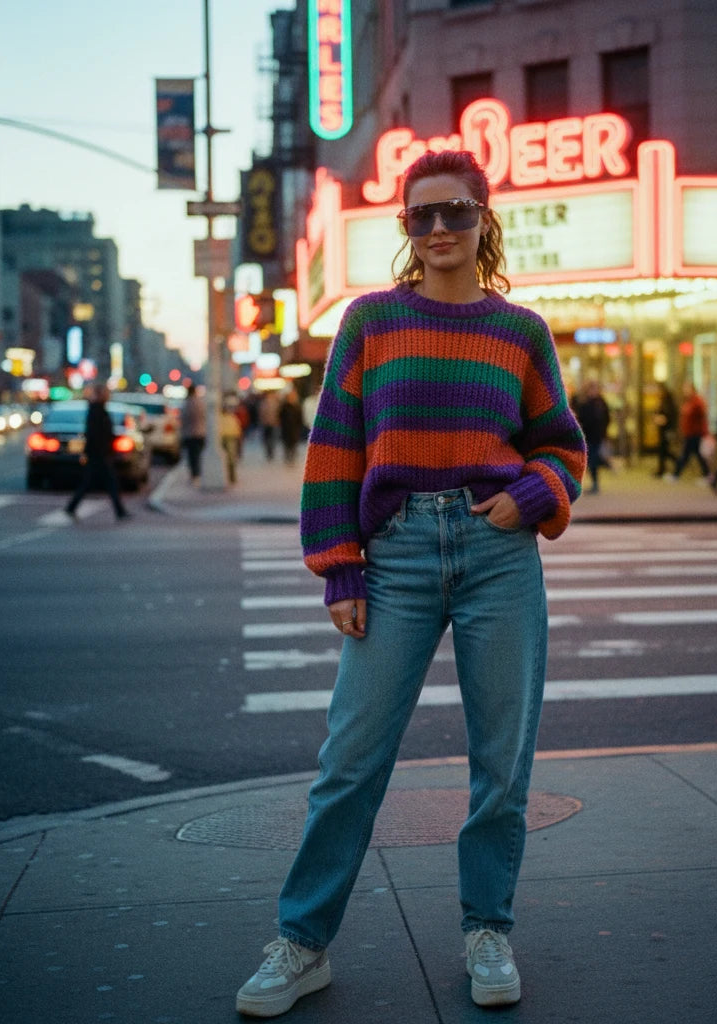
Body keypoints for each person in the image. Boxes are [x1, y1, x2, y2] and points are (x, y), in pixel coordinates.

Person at [235, 150, 585, 1018]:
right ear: (405, 228)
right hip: (394, 557)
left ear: (483, 220)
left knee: (501, 764)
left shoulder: (522, 331)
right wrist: (340, 566)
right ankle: (303, 942)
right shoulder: (370, 321)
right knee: (349, 762)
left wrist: (528, 498)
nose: (437, 229)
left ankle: (487, 930)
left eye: (455, 211)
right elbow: (336, 446)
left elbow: (562, 446)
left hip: (497, 553)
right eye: (420, 215)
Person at [65, 385, 130, 521]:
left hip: (100, 453)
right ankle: (119, 511)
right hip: (99, 454)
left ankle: (72, 507)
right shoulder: (96, 411)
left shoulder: (99, 410)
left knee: (93, 482)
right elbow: (94, 434)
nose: (107, 396)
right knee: (107, 482)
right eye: (105, 393)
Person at [667, 381, 709, 480]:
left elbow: (702, 417)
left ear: (692, 389)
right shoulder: (688, 401)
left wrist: (704, 431)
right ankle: (708, 475)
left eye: (686, 388)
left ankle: (676, 474)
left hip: (695, 433)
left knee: (686, 455)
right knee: (696, 455)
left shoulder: (697, 401)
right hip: (689, 433)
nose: (684, 390)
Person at [573, 380, 610, 493]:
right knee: (590, 460)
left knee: (593, 460)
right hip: (587, 436)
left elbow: (607, 418)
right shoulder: (584, 403)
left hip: (596, 436)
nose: (593, 391)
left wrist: (603, 432)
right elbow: (580, 418)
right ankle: (595, 481)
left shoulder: (601, 403)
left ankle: (595, 483)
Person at [181, 384, 206, 484]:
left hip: (190, 434)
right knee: (198, 455)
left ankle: (195, 474)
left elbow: (183, 418)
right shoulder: (200, 402)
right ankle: (198, 473)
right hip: (201, 433)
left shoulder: (187, 403)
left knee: (192, 456)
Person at [652, 382, 677, 477]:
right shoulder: (662, 401)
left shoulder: (668, 403)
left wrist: (660, 419)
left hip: (667, 429)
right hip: (662, 429)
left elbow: (668, 417)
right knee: (663, 450)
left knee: (664, 450)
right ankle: (662, 469)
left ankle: (676, 463)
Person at [219, 400, 243, 484]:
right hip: (228, 438)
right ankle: (231, 477)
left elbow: (237, 428)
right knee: (230, 458)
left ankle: (232, 476)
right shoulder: (229, 417)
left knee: (230, 458)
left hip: (229, 438)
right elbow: (237, 428)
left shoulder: (228, 417)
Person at [279, 387, 304, 464]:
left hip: (294, 429)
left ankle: (292, 457)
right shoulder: (284, 406)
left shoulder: (297, 406)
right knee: (286, 444)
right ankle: (287, 456)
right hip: (286, 429)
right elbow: (280, 416)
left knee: (293, 444)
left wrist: (300, 427)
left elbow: (300, 418)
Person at [259, 391, 280, 462]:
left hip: (273, 423)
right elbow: (261, 414)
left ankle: (271, 451)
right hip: (266, 424)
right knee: (267, 439)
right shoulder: (263, 403)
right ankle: (268, 451)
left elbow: (278, 413)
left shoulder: (276, 403)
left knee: (272, 438)